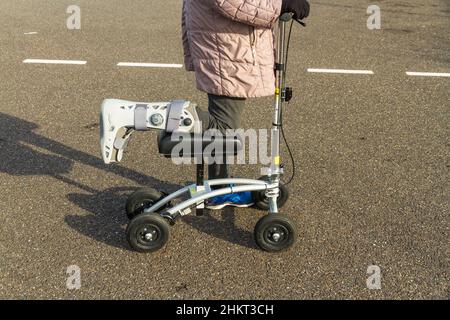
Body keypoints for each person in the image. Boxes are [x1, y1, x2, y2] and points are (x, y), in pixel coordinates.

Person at [181, 0, 310, 209]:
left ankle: (218, 184)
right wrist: (281, 4)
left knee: (222, 127)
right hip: (225, 49)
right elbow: (235, 3)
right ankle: (173, 117)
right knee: (222, 127)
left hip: (226, 46)